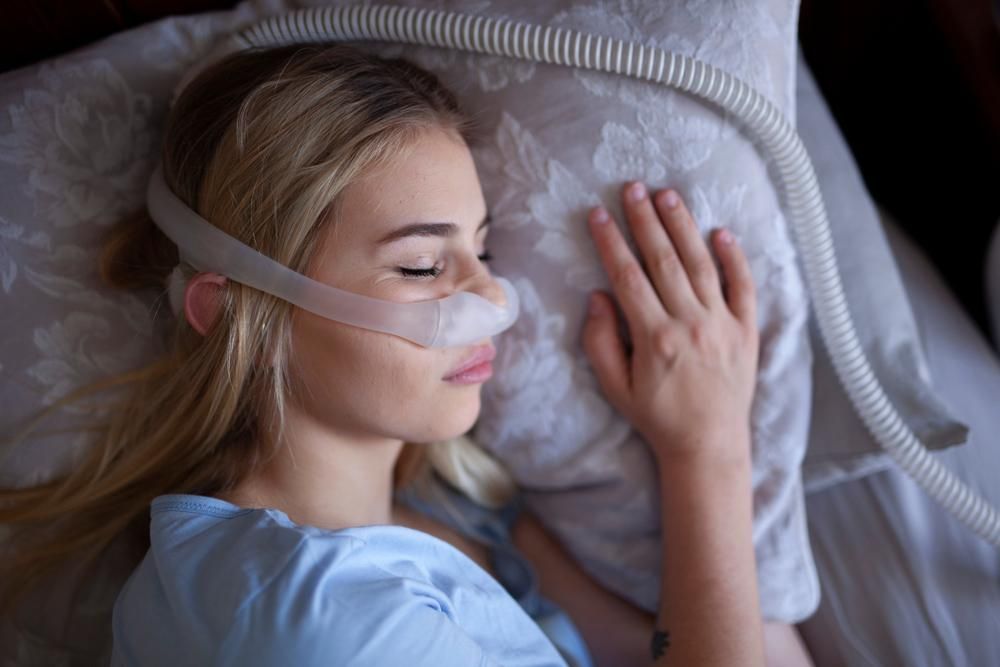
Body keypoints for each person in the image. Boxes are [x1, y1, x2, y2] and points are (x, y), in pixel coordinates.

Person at [0, 43, 813, 666]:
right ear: (228, 307)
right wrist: (706, 449)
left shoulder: (445, 517)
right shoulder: (318, 619)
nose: (489, 301)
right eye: (422, 266)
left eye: (483, 252)